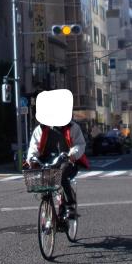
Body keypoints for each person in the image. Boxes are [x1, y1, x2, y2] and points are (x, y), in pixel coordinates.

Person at [26, 89, 90, 217]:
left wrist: (72, 154)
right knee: (43, 182)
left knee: (61, 176)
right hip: (46, 161)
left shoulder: (72, 127)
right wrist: (31, 158)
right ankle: (50, 204)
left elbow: (80, 144)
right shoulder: (41, 129)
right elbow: (34, 146)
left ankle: (70, 205)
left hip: (66, 161)